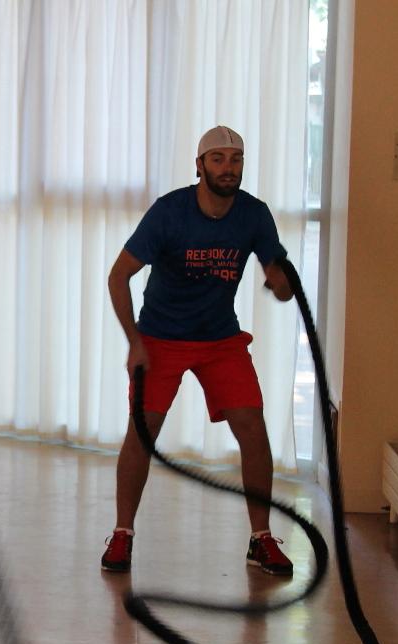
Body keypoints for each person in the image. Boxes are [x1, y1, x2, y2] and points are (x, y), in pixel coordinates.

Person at [102, 126, 295, 577]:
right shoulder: (169, 212)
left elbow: (281, 285)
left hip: (220, 338)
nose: (228, 168)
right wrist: (134, 342)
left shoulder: (253, 215)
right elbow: (118, 276)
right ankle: (122, 534)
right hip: (160, 338)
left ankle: (261, 539)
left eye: (236, 159)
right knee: (142, 432)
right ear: (200, 165)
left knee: (251, 424)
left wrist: (282, 283)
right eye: (219, 159)